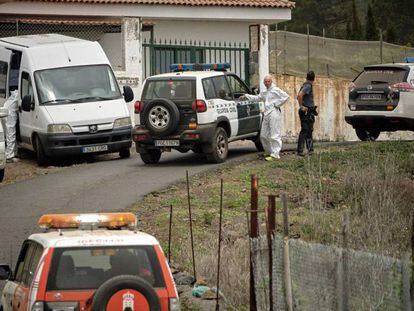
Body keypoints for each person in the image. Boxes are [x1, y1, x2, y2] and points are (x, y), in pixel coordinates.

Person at [241, 75, 289, 161]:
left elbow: (286, 97)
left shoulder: (275, 90)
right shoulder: (264, 91)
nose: (267, 83)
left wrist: (276, 104)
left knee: (274, 134)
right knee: (263, 135)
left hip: (274, 113)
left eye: (268, 81)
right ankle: (269, 152)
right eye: (265, 82)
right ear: (264, 82)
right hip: (266, 113)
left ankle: (275, 154)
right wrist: (246, 96)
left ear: (271, 81)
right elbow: (258, 98)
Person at [297, 71, 317, 156]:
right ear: (314, 78)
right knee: (305, 130)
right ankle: (300, 150)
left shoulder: (305, 85)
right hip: (306, 112)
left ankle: (310, 150)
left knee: (308, 131)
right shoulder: (308, 86)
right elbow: (299, 95)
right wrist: (302, 106)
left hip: (308, 111)